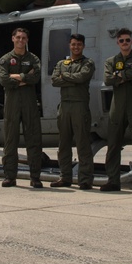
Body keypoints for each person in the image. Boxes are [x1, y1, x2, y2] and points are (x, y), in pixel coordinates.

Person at [100, 28, 132, 193]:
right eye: (121, 40)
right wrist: (126, 75)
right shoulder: (111, 61)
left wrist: (120, 76)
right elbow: (108, 79)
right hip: (118, 107)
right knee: (113, 144)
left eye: (127, 40)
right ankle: (113, 181)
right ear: (117, 42)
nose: (124, 43)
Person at [0, 27, 44, 188]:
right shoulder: (5, 60)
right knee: (10, 140)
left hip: (29, 103)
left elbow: (36, 77)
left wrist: (15, 77)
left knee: (34, 139)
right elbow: (3, 80)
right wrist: (25, 78)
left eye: (24, 38)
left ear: (27, 40)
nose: (21, 40)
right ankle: (10, 176)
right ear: (13, 39)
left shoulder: (33, 59)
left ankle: (35, 177)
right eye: (18, 37)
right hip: (12, 103)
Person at [50, 33, 95, 190]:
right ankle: (65, 177)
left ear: (83, 46)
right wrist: (71, 79)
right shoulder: (62, 62)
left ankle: (85, 179)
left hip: (79, 106)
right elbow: (55, 80)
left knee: (82, 143)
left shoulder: (88, 63)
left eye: (79, 44)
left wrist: (65, 77)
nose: (76, 47)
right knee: (63, 144)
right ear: (69, 45)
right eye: (73, 44)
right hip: (64, 106)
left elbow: (82, 77)